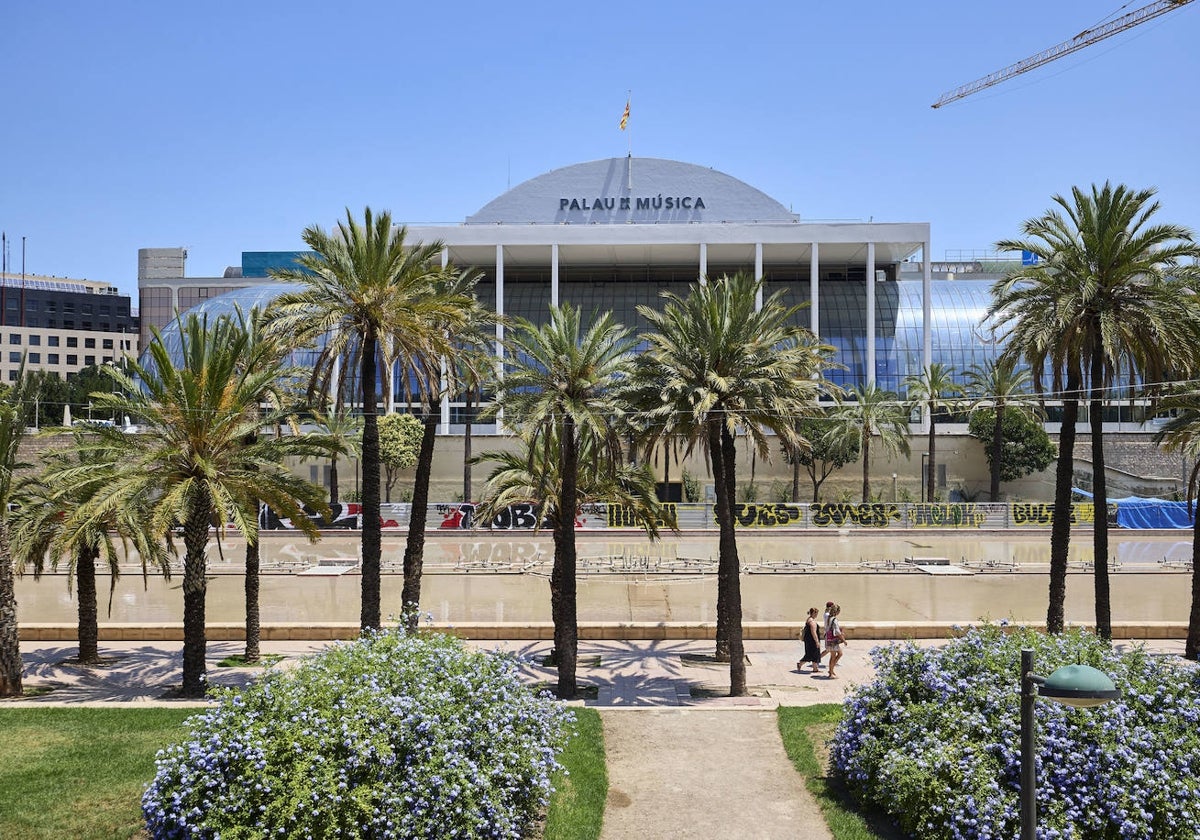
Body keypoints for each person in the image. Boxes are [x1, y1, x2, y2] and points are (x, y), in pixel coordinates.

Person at [797, 607, 823, 672]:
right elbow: (813, 632)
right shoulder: (812, 622)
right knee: (810, 654)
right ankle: (800, 664)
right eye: (816, 613)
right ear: (814, 613)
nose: (817, 614)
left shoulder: (809, 619)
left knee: (815, 654)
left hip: (809, 640)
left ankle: (815, 669)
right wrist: (817, 642)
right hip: (812, 641)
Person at [825, 603, 847, 678]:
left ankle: (831, 670)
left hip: (828, 639)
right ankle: (830, 673)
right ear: (837, 611)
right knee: (833, 656)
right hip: (833, 641)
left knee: (839, 654)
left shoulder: (828, 618)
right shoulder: (834, 619)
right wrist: (843, 640)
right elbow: (837, 632)